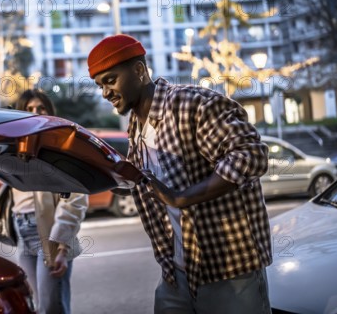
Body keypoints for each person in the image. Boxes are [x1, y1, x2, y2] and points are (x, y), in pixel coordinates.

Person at [87, 34, 272, 313]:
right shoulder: (136, 126)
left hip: (229, 269)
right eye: (100, 85)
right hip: (177, 271)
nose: (105, 92)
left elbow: (250, 154)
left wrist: (183, 198)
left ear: (139, 70)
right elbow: (153, 186)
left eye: (110, 80)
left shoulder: (192, 104)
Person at [3, 89, 89, 314]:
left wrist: (61, 244)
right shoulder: (16, 147)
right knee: (38, 307)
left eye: (41, 108)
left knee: (53, 307)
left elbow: (75, 198)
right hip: (23, 232)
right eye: (29, 109)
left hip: (50, 233)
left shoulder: (61, 146)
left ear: (50, 113)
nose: (35, 112)